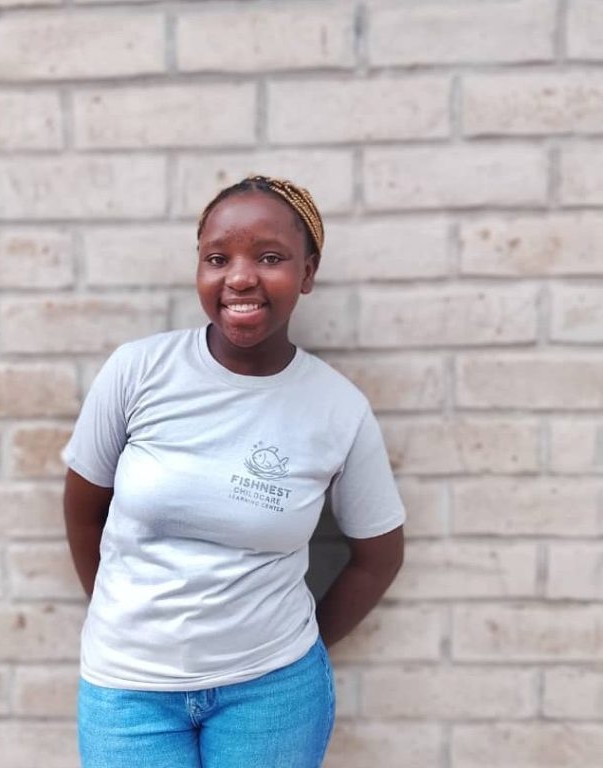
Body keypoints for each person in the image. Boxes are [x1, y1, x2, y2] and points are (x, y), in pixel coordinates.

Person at [61, 175, 405, 768]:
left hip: (272, 692)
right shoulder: (137, 372)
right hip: (127, 690)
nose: (240, 278)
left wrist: (297, 646)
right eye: (217, 259)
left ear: (308, 272)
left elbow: (379, 556)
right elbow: (83, 511)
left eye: (270, 258)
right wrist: (122, 617)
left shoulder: (337, 408)